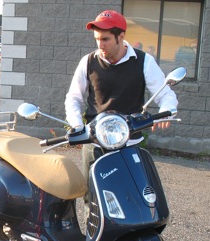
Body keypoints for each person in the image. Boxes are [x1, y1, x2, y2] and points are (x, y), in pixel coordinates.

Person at [64, 10, 179, 211]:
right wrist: (77, 126)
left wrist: (167, 110)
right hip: (94, 143)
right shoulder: (88, 61)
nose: (100, 45)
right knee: (93, 200)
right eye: (97, 39)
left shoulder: (144, 61)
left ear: (121, 37)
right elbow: (73, 98)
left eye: (106, 39)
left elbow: (166, 95)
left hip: (129, 143)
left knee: (133, 198)